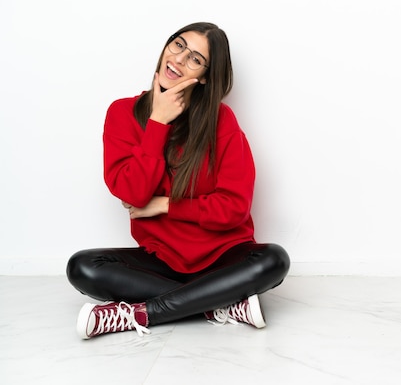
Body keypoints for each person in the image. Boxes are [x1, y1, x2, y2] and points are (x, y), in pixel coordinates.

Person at [66, 22, 290, 339]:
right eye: (179, 45)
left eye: (196, 59)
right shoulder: (121, 113)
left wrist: (163, 206)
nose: (180, 59)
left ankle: (139, 314)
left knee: (273, 259)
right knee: (83, 266)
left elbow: (233, 208)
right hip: (162, 259)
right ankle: (220, 304)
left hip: (223, 259)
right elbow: (132, 192)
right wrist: (158, 121)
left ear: (205, 76)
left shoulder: (220, 120)